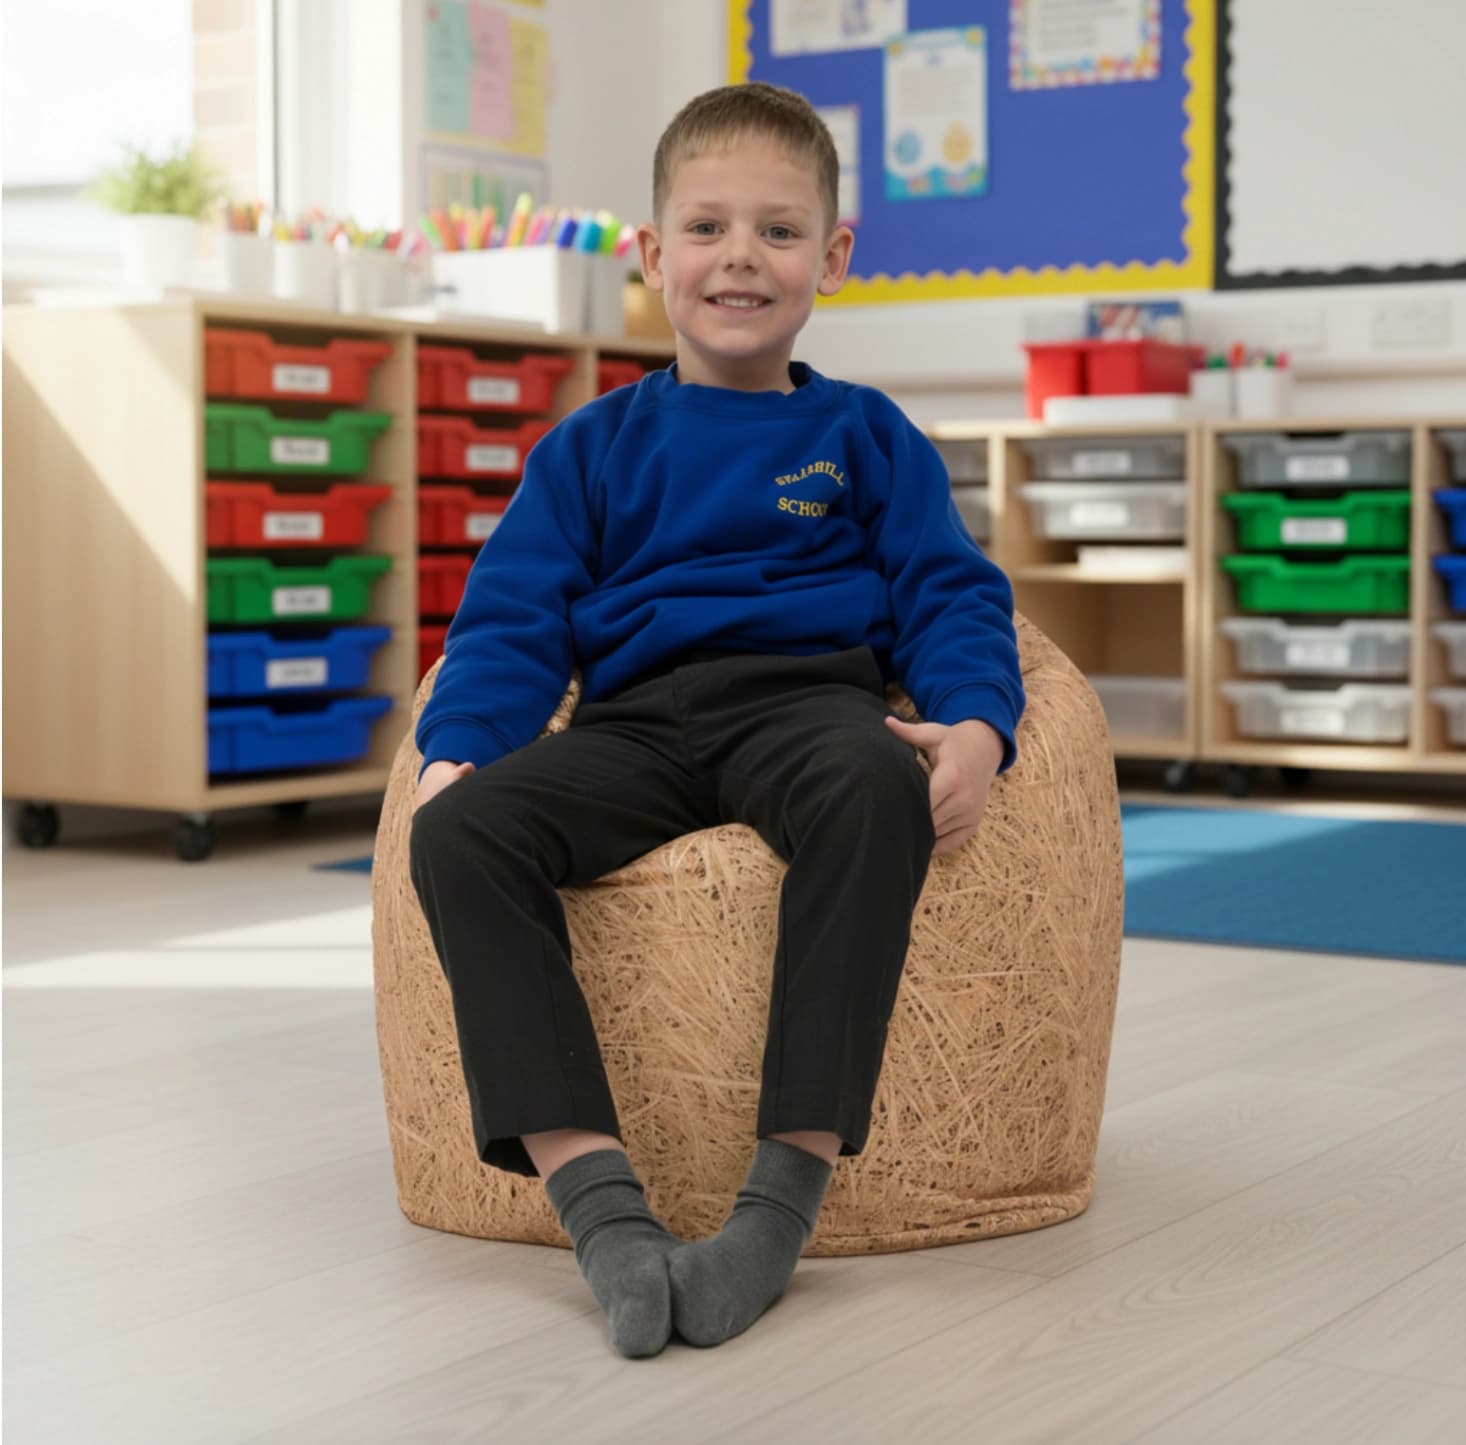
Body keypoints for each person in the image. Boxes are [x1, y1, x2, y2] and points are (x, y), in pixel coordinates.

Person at [409, 81, 1025, 1359]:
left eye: (778, 230)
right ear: (650, 256)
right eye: (705, 228)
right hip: (631, 726)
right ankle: (601, 1204)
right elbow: (512, 614)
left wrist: (975, 726)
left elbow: (950, 592)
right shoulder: (588, 447)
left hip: (806, 707)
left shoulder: (864, 433)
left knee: (873, 784)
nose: (739, 255)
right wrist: (459, 747)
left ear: (832, 259)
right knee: (459, 833)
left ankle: (774, 1204)